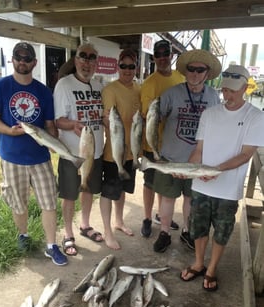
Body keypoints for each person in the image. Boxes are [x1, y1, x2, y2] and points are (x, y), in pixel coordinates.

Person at [180, 64, 264, 291]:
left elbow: (246, 154)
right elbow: (199, 149)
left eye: (233, 91)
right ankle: (198, 262)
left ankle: (212, 268)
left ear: (245, 88)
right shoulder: (209, 114)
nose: (228, 95)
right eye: (225, 90)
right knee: (197, 227)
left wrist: (215, 170)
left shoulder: (256, 117)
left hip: (228, 189)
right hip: (201, 184)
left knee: (223, 230)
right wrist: (190, 168)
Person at [0, 42, 67, 266]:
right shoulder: (1, 86)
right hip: (11, 156)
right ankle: (24, 236)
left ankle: (51, 245)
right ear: (12, 59)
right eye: (19, 57)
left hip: (40, 157)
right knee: (19, 203)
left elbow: (49, 125)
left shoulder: (44, 91)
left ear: (35, 62)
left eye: (27, 58)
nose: (22, 62)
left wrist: (56, 141)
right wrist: (9, 131)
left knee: (49, 202)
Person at [152, 49, 222, 253]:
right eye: (191, 69)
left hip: (198, 161)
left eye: (200, 70)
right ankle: (164, 232)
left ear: (207, 73)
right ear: (185, 71)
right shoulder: (172, 93)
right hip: (171, 157)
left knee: (191, 199)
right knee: (167, 198)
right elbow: (155, 118)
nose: (195, 73)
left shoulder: (213, 96)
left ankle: (187, 231)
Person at [53, 42, 104, 256]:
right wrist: (72, 125)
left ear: (96, 63)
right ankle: (67, 233)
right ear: (75, 60)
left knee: (88, 190)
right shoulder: (64, 85)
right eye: (83, 57)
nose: (87, 62)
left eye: (92, 58)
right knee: (69, 195)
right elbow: (58, 121)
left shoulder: (100, 86)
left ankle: (84, 225)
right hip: (72, 153)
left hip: (96, 151)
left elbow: (103, 116)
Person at [140, 39, 185, 238]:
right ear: (153, 57)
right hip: (153, 142)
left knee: (164, 184)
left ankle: (160, 215)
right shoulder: (150, 83)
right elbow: (146, 112)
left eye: (165, 53)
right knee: (150, 183)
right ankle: (147, 218)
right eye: (158, 55)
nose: (162, 58)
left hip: (173, 143)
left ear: (171, 55)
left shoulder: (180, 77)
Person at [100, 48, 141, 250]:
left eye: (131, 66)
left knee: (123, 189)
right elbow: (107, 118)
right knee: (108, 192)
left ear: (136, 68)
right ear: (118, 67)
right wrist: (110, 122)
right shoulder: (110, 89)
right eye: (123, 65)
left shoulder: (138, 89)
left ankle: (119, 221)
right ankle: (107, 232)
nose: (127, 70)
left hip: (131, 152)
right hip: (113, 153)